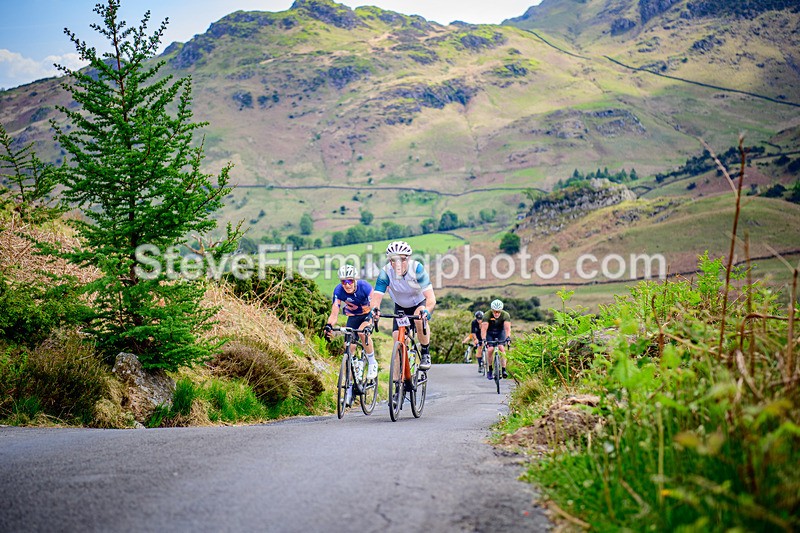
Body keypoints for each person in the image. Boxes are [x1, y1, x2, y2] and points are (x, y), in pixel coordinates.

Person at [370, 240, 436, 370]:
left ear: (408, 258)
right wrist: (375, 310)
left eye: (402, 259)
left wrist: (427, 311)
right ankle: (397, 380)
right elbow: (376, 298)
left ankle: (425, 352)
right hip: (400, 307)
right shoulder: (385, 273)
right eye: (394, 260)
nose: (398, 263)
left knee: (419, 318)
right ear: (390, 261)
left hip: (419, 303)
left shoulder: (417, 269)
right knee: (398, 340)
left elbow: (431, 298)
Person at [324, 264, 377, 380]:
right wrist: (329, 325)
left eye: (350, 281)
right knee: (348, 347)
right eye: (344, 282)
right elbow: (334, 313)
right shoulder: (338, 290)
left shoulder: (364, 286)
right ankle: (352, 377)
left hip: (368, 314)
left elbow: (374, 305)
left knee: (362, 333)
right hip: (353, 317)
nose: (347, 285)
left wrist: (372, 318)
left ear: (355, 280)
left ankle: (372, 362)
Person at [480, 299, 511, 380]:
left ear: (501, 310)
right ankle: (490, 370)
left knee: (501, 348)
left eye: (498, 312)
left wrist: (508, 338)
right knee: (490, 350)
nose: (496, 313)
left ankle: (503, 370)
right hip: (489, 333)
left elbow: (507, 328)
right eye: (494, 311)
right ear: (492, 310)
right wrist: (483, 339)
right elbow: (484, 329)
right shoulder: (487, 315)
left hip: (500, 332)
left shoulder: (505, 315)